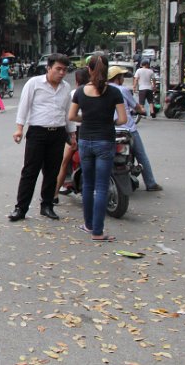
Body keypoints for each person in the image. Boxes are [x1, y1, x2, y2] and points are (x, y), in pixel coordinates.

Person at [8, 53, 74, 222]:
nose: (61, 73)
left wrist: (72, 134)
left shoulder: (66, 87)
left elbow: (67, 113)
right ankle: (21, 208)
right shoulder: (34, 83)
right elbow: (24, 106)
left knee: (52, 172)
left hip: (58, 133)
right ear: (49, 68)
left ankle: (47, 205)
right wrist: (19, 129)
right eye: (58, 69)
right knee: (30, 171)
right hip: (37, 132)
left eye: (64, 70)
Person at [68, 55, 127, 242]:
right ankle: (98, 232)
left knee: (88, 184)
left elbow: (72, 116)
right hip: (105, 141)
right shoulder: (114, 92)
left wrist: (86, 119)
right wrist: (110, 121)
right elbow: (123, 119)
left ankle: (89, 224)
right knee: (101, 187)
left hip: (85, 140)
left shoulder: (80, 92)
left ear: (89, 70)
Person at [108, 65, 163, 192]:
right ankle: (150, 183)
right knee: (141, 155)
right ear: (118, 78)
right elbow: (136, 106)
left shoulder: (103, 90)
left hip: (110, 129)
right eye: (121, 76)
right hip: (127, 130)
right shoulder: (122, 90)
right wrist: (142, 110)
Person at [55, 68, 90, 203]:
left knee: (63, 164)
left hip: (78, 131)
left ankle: (54, 194)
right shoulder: (97, 91)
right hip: (94, 131)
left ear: (76, 80)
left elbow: (69, 116)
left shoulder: (74, 93)